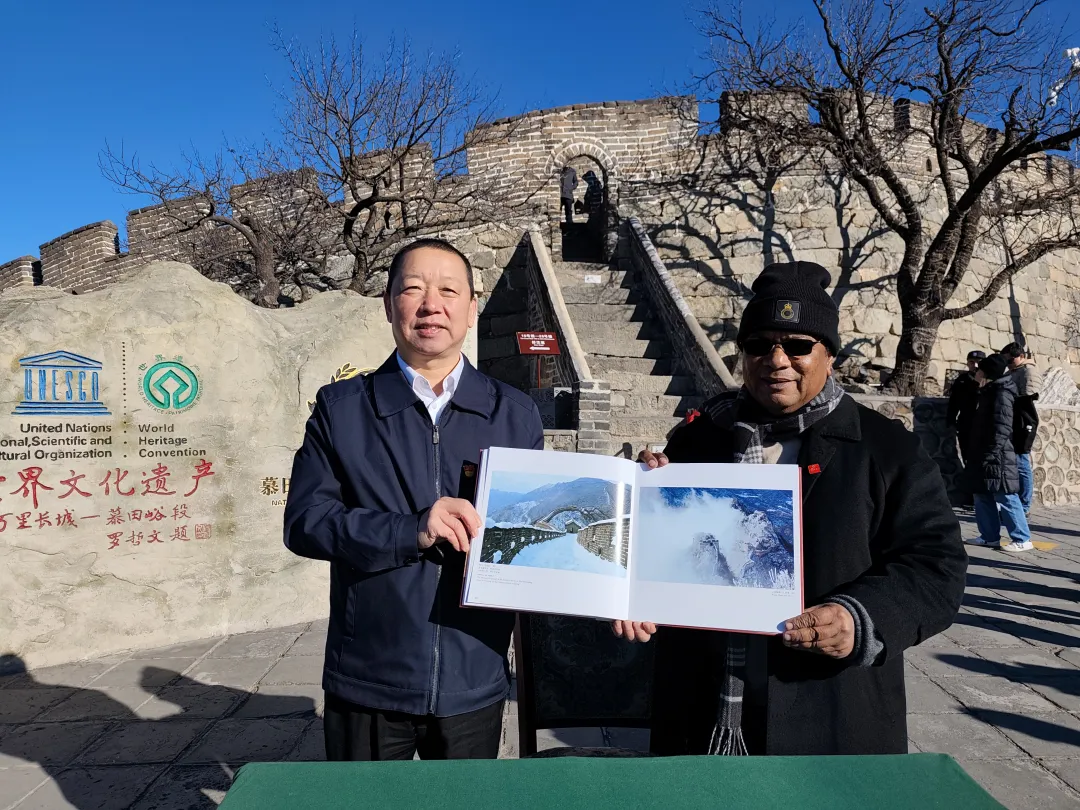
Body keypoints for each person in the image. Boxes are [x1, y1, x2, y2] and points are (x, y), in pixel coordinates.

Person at [612, 260, 967, 756]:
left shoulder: (886, 449)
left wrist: (860, 619)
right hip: (703, 706)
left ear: (829, 356)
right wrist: (646, 505)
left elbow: (936, 565)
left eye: (798, 346)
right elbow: (662, 550)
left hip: (829, 709)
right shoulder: (697, 440)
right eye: (759, 345)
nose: (776, 360)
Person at [284, 238, 544, 761]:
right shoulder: (341, 409)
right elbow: (306, 522)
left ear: (472, 308)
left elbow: (538, 540)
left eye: (449, 290)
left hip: (475, 671)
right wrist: (412, 530)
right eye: (414, 289)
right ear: (388, 304)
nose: (432, 304)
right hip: (369, 677)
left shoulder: (515, 416)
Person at [964, 353, 1033, 552]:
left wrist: (991, 453)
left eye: (979, 369)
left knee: (1005, 495)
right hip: (984, 452)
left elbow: (1002, 427)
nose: (975, 371)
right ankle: (989, 537)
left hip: (998, 455)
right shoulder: (989, 390)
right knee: (982, 494)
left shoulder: (1001, 393)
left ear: (987, 373)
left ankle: (1022, 538)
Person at [1000, 342, 1041, 514]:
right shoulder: (1014, 371)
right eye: (1006, 361)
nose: (1008, 364)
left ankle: (1024, 505)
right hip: (1014, 421)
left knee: (1022, 463)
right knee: (1015, 463)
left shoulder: (1029, 371)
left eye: (1011, 360)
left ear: (1021, 356)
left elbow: (1028, 397)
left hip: (1024, 421)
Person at [946, 350, 986, 468]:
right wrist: (951, 421)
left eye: (979, 362)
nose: (975, 365)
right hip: (966, 425)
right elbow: (954, 402)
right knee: (967, 458)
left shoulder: (990, 379)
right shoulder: (961, 380)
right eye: (972, 362)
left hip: (983, 425)